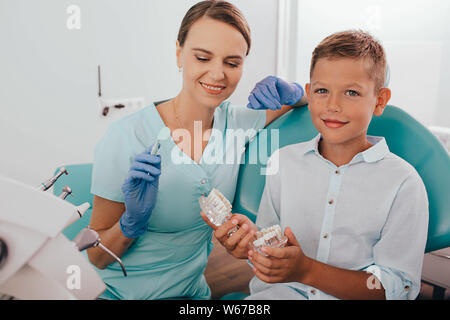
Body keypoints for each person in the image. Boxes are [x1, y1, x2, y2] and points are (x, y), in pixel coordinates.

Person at [86, 0, 307, 300]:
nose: (218, 74)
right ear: (179, 52)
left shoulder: (238, 122)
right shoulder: (127, 137)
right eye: (203, 57)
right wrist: (130, 225)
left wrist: (292, 90)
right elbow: (97, 257)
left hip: (193, 295)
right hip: (119, 294)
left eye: (232, 63)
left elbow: (316, 95)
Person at [204, 30, 429, 300]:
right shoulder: (283, 163)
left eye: (351, 92)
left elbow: (396, 287)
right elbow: (270, 253)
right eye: (322, 90)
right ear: (309, 94)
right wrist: (252, 248)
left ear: (379, 101)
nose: (333, 105)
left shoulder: (403, 183)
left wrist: (306, 270)